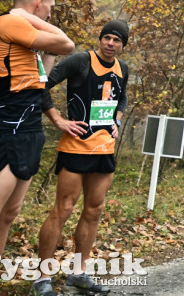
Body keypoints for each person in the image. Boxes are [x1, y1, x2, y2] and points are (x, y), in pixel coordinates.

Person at [0, 0, 75, 296]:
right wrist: (26, 15)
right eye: (49, 9)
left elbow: (43, 79)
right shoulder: (10, 21)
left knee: (5, 216)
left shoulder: (23, 43)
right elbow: (67, 43)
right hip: (7, 131)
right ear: (39, 2)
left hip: (28, 132)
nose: (50, 15)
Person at [32, 20, 131, 296]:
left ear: (123, 45)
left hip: (104, 150)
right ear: (100, 39)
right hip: (75, 147)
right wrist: (57, 119)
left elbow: (121, 99)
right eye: (107, 38)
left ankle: (79, 272)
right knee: (62, 210)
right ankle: (41, 278)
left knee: (94, 210)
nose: (111, 43)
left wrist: (118, 122)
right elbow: (42, 85)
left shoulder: (123, 69)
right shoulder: (80, 61)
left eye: (117, 40)